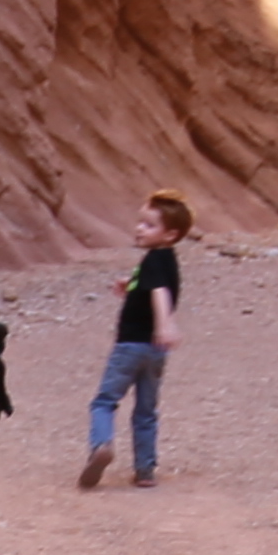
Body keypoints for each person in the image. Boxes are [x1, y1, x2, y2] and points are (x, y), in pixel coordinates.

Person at [78, 191, 186, 488]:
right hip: (156, 352)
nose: (140, 229)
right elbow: (154, 285)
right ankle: (145, 469)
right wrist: (131, 284)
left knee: (104, 402)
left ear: (170, 234)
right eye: (141, 223)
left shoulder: (153, 261)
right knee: (146, 410)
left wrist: (165, 324)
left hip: (131, 345)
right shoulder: (165, 260)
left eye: (149, 225)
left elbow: (160, 292)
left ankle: (101, 445)